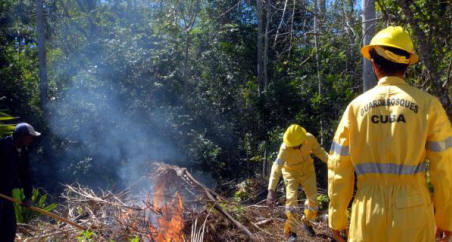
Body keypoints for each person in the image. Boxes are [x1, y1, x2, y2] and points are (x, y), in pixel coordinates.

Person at [328, 26, 452, 242]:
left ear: (375, 65)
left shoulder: (355, 108)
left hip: (367, 213)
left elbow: (339, 165)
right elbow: (445, 168)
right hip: (413, 212)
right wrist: (446, 218)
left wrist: (337, 217)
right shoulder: (428, 105)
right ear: (406, 65)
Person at [266, 124, 328, 241]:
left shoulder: (309, 138)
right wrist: (271, 190)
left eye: (296, 145)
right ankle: (291, 232)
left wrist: (333, 163)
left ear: (302, 140)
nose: (293, 148)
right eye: (292, 146)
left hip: (307, 171)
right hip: (290, 172)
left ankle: (306, 221)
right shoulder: (284, 148)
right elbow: (276, 167)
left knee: (313, 200)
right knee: (291, 200)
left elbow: (320, 152)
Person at [0, 123, 41, 241]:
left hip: (7, 195)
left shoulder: (23, 152)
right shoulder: (2, 146)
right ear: (22, 136)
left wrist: (28, 196)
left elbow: (26, 175)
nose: (32, 140)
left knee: (9, 229)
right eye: (30, 137)